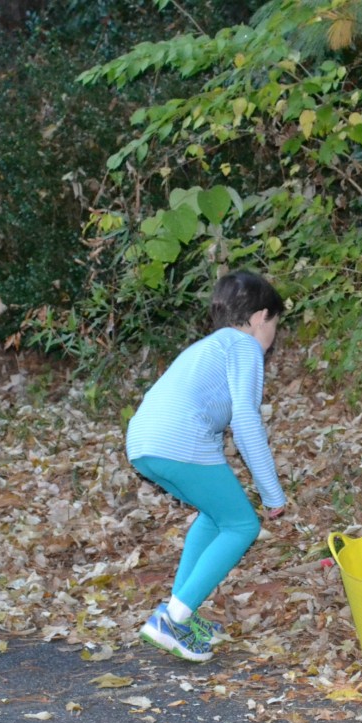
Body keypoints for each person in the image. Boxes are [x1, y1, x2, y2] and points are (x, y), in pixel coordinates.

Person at [126, 269, 287, 662]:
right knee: (243, 525)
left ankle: (179, 614)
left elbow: (203, 408)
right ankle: (172, 620)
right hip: (178, 440)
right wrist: (272, 492)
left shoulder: (207, 347)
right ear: (259, 317)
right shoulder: (244, 346)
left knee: (215, 516)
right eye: (275, 325)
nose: (273, 336)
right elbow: (245, 419)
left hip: (143, 442)